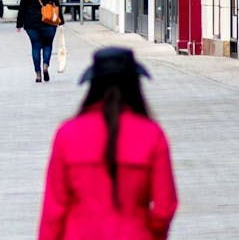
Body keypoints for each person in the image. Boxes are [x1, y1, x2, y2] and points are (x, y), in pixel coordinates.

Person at [38, 47, 177, 239]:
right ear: (135, 85)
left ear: (93, 85)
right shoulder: (152, 135)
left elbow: (54, 209)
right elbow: (165, 206)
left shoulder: (67, 134)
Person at [17, 0, 63, 82]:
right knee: (47, 45)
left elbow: (22, 7)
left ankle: (38, 74)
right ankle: (45, 66)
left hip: (31, 22)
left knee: (35, 46)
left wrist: (19, 24)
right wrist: (61, 20)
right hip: (48, 21)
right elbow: (56, 3)